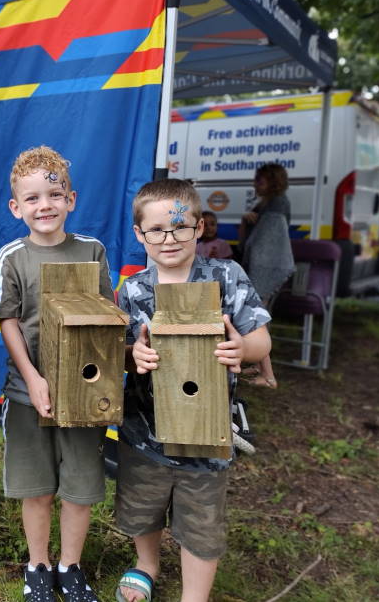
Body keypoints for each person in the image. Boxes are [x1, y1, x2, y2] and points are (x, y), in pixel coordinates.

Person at [115, 179, 271, 602]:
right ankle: (147, 564)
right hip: (144, 432)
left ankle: (194, 595)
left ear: (199, 228)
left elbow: (261, 339)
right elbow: (119, 353)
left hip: (207, 435)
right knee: (143, 506)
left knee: (202, 521)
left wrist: (243, 347)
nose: (169, 239)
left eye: (181, 228)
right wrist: (134, 355)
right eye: (157, 230)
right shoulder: (132, 290)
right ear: (138, 234)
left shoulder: (225, 277)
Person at [0, 146, 114, 602]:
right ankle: (38, 565)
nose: (45, 205)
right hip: (27, 393)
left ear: (71, 199)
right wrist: (35, 378)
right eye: (33, 198)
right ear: (16, 207)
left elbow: (106, 315)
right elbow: (8, 321)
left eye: (54, 194)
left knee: (79, 486)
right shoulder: (11, 257)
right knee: (37, 486)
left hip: (81, 396)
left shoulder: (91, 251)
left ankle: (70, 566)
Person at [238, 163, 294, 388]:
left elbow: (269, 242)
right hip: (264, 266)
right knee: (260, 317)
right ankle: (261, 366)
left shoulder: (277, 204)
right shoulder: (264, 204)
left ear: (272, 181)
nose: (255, 184)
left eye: (259, 180)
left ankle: (268, 376)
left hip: (267, 268)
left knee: (257, 318)